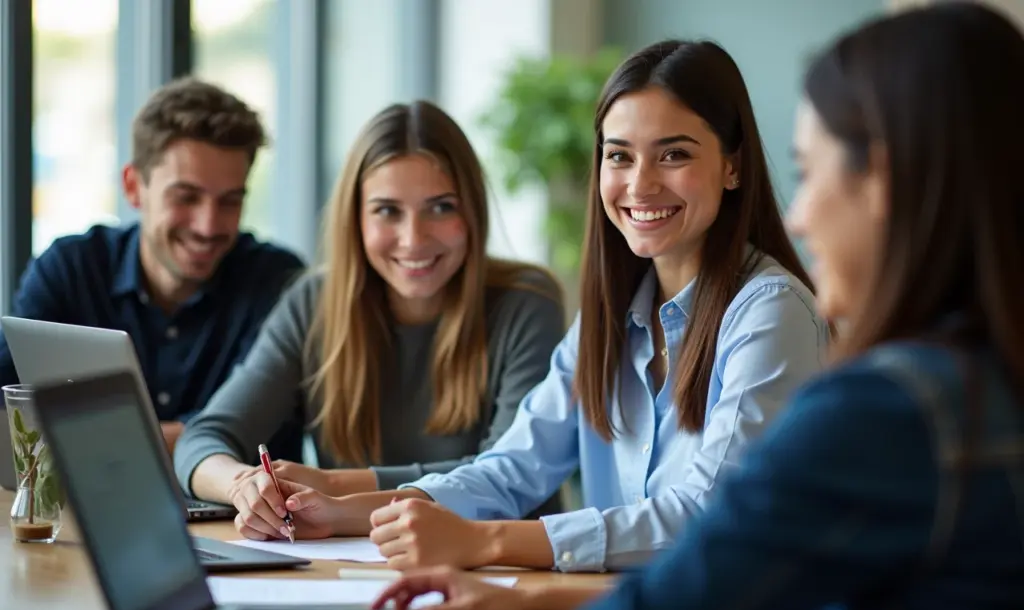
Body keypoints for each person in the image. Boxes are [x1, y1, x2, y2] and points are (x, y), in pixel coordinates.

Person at [368, 3, 1024, 610]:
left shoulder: (883, 405)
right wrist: (373, 510)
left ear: (883, 180)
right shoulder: (976, 387)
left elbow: (698, 571)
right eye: (619, 156)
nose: (798, 213)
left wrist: (493, 552)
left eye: (813, 170)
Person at [233, 39, 830, 574]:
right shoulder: (612, 317)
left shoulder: (770, 314)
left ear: (732, 166)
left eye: (673, 155)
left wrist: (487, 542)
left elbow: (706, 514)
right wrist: (343, 515)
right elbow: (512, 467)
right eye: (619, 156)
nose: (640, 184)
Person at [173, 101, 567, 520]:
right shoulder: (314, 303)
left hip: (502, 572)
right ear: (356, 219)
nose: (413, 239)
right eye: (387, 211)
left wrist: (337, 486)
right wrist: (243, 486)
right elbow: (204, 437)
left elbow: (508, 475)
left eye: (441, 207)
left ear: (472, 212)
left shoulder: (526, 302)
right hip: (354, 566)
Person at [0, 77, 306, 456]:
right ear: (133, 187)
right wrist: (191, 436)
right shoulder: (71, 269)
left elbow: (263, 431)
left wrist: (90, 437)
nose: (208, 225)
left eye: (229, 201)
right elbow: (10, 408)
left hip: (236, 514)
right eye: (186, 197)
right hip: (78, 509)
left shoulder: (279, 283)